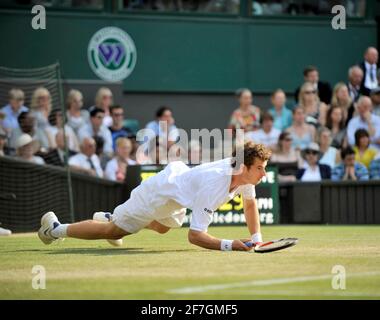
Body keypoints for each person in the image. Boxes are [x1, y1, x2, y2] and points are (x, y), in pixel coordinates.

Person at [38, 142, 271, 252]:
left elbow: (250, 206)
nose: (264, 173)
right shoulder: (215, 184)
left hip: (177, 195)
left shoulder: (242, 175)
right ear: (244, 167)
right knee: (113, 232)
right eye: (260, 168)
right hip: (158, 193)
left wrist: (257, 238)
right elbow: (195, 236)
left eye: (264, 168)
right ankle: (55, 228)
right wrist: (232, 245)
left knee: (162, 228)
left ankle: (112, 215)